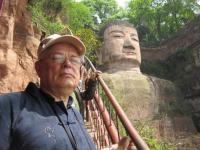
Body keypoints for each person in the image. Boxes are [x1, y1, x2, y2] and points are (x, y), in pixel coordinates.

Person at [0, 34, 132, 150]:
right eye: (57, 57)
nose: (68, 64)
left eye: (75, 60)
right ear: (38, 68)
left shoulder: (75, 114)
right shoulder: (9, 107)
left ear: (80, 72)